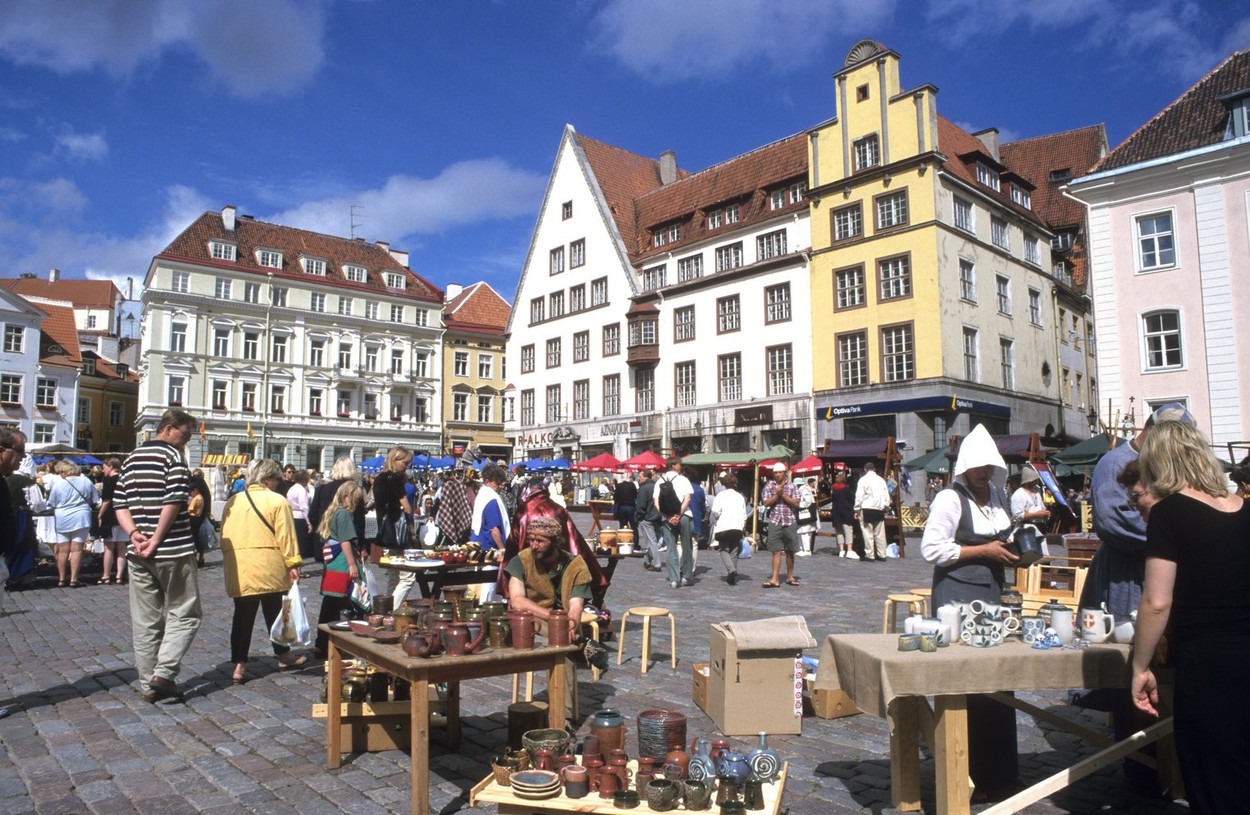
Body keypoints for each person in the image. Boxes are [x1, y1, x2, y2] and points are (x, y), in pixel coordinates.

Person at [1131, 420, 1247, 814]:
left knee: (1214, 778)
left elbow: (1156, 601)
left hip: (1209, 662)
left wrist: (1140, 666)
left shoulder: (1169, 512)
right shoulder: (1245, 509)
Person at [920, 423, 1020, 799]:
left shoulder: (996, 494)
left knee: (995, 678)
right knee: (966, 681)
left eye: (989, 466)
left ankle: (999, 774)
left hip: (992, 592)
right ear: (965, 466)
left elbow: (1002, 536)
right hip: (957, 594)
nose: (984, 472)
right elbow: (932, 549)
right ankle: (967, 773)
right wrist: (983, 551)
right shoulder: (950, 498)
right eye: (978, 466)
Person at [113, 409, 200, 704]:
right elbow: (173, 500)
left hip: (138, 552)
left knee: (145, 620)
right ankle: (163, 673)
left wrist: (134, 533)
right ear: (169, 428)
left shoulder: (132, 458)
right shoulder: (173, 457)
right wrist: (156, 539)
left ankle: (149, 683)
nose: (187, 440)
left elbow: (120, 502)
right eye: (185, 434)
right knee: (185, 612)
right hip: (173, 548)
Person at [219, 459, 307, 684]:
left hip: (241, 566)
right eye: (277, 479)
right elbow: (286, 536)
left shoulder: (233, 501)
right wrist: (293, 563)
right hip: (269, 565)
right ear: (267, 479)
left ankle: (238, 666)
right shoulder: (277, 501)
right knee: (277, 612)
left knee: (242, 616)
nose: (278, 483)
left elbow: (223, 535)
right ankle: (284, 655)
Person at [313, 480, 365, 658]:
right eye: (355, 499)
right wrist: (352, 564)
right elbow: (345, 541)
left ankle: (322, 644)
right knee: (340, 605)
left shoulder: (333, 511)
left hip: (333, 565)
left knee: (330, 605)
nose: (356, 504)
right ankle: (331, 643)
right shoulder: (343, 514)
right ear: (346, 497)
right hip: (342, 564)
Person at [47, 460, 100, 588]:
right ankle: (73, 579)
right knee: (77, 549)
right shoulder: (86, 482)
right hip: (81, 516)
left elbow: (51, 503)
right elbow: (95, 500)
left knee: (63, 550)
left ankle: (61, 579)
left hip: (63, 518)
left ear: (64, 472)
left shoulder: (59, 484)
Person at [655, 457, 694, 589]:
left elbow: (656, 502)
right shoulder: (683, 479)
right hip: (684, 516)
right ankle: (686, 576)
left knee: (671, 548)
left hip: (666, 518)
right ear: (673, 466)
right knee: (686, 546)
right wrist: (678, 514)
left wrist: (667, 516)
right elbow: (687, 499)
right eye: (679, 464)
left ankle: (674, 579)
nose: (681, 467)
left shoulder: (660, 480)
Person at [761, 463, 800, 588]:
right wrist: (776, 495)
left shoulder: (792, 486)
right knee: (776, 551)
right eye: (776, 473)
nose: (778, 475)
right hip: (775, 520)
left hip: (790, 520)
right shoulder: (769, 486)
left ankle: (790, 576)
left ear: (785, 473)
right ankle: (774, 579)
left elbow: (797, 503)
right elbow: (766, 503)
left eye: (780, 472)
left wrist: (783, 495)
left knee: (790, 551)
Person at [710, 474, 748, 585]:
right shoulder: (740, 497)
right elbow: (744, 515)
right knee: (733, 552)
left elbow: (715, 512)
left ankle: (731, 570)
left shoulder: (720, 495)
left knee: (723, 550)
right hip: (737, 527)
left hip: (724, 527)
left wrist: (716, 518)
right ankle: (731, 577)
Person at [96, 457, 128, 584]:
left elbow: (106, 500)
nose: (103, 470)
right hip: (124, 515)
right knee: (122, 547)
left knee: (109, 547)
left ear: (111, 466)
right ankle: (119, 575)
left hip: (111, 515)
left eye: (104, 468)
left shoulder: (109, 481)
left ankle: (106, 575)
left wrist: (99, 515)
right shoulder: (124, 479)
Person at [854, 462, 890, 561]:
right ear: (874, 469)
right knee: (880, 534)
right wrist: (886, 508)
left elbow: (859, 496)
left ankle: (870, 555)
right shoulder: (881, 480)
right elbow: (886, 496)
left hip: (866, 508)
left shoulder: (863, 480)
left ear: (865, 469)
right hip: (879, 509)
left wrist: (857, 509)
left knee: (867, 533)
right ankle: (882, 554)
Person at [634, 469, 662, 572]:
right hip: (657, 516)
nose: (638, 478)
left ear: (645, 477)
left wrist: (638, 517)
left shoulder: (644, 488)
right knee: (652, 540)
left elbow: (641, 505)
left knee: (651, 541)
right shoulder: (656, 486)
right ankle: (648, 560)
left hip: (647, 517)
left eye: (640, 476)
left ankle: (657, 564)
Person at [286, 469, 315, 562]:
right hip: (301, 518)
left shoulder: (292, 488)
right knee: (301, 544)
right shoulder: (301, 490)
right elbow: (304, 507)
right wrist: (308, 522)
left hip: (292, 516)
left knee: (295, 542)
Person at [830, 469, 857, 559]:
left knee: (839, 532)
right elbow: (853, 500)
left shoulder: (834, 489)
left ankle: (841, 550)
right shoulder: (846, 490)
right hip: (846, 513)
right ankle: (849, 549)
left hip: (836, 513)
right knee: (848, 531)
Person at [188, 469, 212, 568]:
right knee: (196, 536)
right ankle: (198, 557)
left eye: (198, 475)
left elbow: (207, 497)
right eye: (195, 475)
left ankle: (197, 557)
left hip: (197, 515)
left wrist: (207, 512)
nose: (196, 477)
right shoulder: (197, 483)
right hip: (199, 514)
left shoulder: (198, 483)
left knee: (196, 536)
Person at [796, 476, 817, 556]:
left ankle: (807, 550)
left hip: (805, 514)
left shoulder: (804, 489)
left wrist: (798, 505)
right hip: (802, 514)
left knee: (805, 532)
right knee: (801, 532)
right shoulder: (801, 489)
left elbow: (808, 502)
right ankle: (802, 548)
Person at [613, 473, 637, 538]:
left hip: (622, 507)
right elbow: (636, 495)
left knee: (623, 525)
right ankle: (635, 541)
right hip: (631, 507)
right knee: (633, 525)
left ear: (622, 478)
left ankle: (623, 539)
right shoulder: (632, 485)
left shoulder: (619, 486)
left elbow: (615, 497)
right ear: (628, 478)